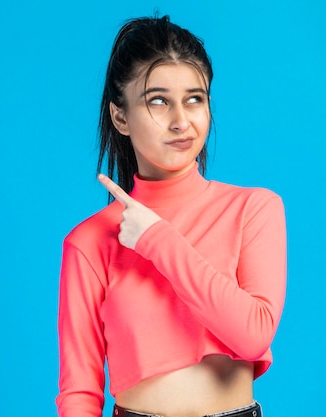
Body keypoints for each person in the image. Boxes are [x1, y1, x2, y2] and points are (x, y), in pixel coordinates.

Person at [56, 15, 286, 417]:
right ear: (120, 117)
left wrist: (157, 239)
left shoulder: (253, 209)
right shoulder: (90, 241)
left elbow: (253, 336)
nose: (182, 121)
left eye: (195, 99)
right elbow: (79, 391)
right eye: (158, 101)